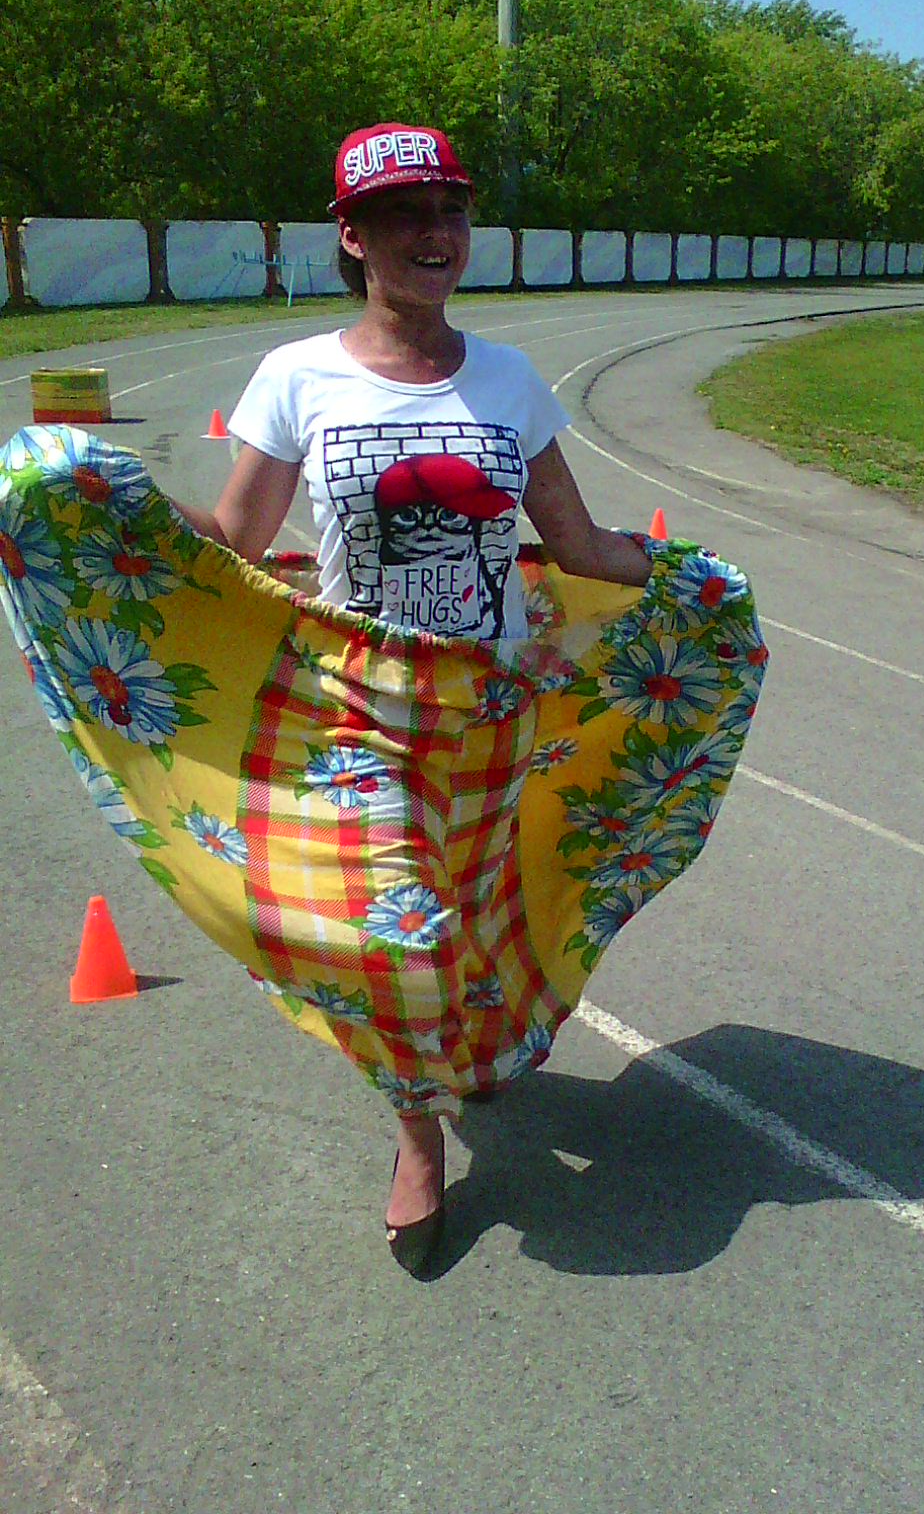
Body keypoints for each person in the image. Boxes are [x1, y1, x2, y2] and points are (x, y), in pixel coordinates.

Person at [172, 123, 655, 1272]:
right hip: (361, 705)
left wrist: (679, 574)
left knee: (474, 919)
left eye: (449, 210)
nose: (434, 233)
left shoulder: (510, 380)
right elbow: (238, 538)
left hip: (487, 709)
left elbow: (575, 542)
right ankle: (418, 1139)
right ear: (353, 236)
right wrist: (109, 497)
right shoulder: (299, 376)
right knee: (395, 938)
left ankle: (465, 1061)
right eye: (402, 214)